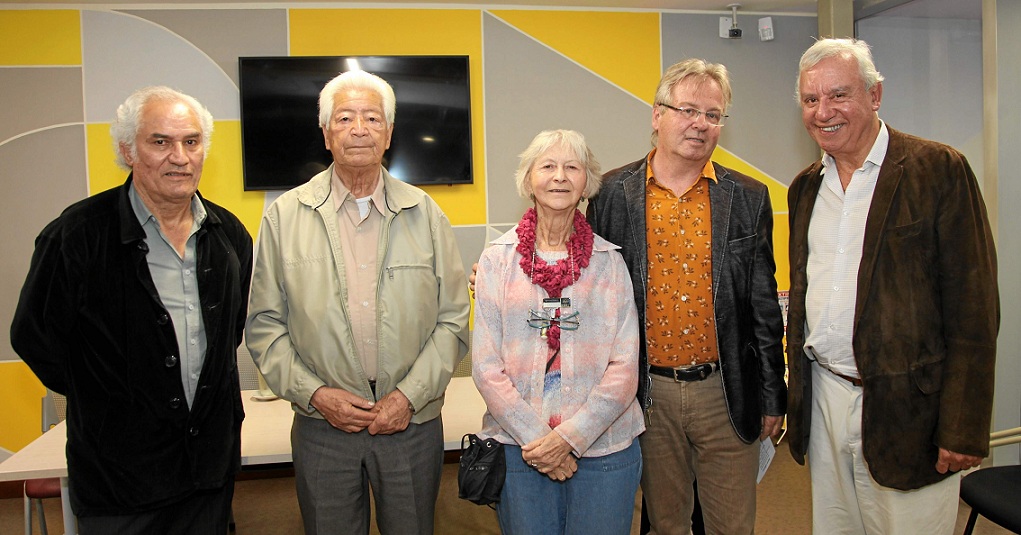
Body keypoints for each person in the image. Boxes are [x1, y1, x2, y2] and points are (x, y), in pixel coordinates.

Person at [11, 86, 253, 534]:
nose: (179, 156)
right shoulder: (76, 235)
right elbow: (35, 338)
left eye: (191, 142)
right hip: (118, 478)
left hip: (207, 473)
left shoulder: (230, 236)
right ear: (128, 150)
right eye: (160, 142)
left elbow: (227, 335)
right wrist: (112, 401)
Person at [785, 38, 999, 534]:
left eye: (839, 95)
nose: (823, 112)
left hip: (911, 410)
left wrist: (963, 425)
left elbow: (975, 308)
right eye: (811, 100)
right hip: (825, 398)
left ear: (875, 95)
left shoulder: (938, 171)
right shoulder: (806, 188)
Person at [244, 69, 471, 535]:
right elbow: (265, 326)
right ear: (325, 134)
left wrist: (408, 397)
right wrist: (316, 395)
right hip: (323, 427)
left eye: (372, 117)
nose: (359, 128)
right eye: (344, 117)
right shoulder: (284, 217)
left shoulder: (427, 214)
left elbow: (453, 321)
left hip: (411, 423)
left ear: (389, 133)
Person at [587, 58, 787, 535]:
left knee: (732, 527)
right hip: (646, 394)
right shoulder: (612, 193)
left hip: (727, 391)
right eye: (687, 109)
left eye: (713, 114)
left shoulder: (748, 197)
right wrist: (503, 267)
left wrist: (773, 396)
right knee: (665, 524)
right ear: (658, 115)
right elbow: (581, 274)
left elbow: (763, 306)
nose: (700, 123)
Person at [473, 129, 645, 534]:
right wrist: (542, 442)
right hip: (520, 449)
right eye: (547, 166)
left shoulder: (609, 262)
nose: (560, 176)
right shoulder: (497, 261)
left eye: (572, 167)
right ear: (528, 178)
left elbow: (625, 367)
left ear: (587, 182)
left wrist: (570, 437)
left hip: (605, 448)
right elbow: (484, 366)